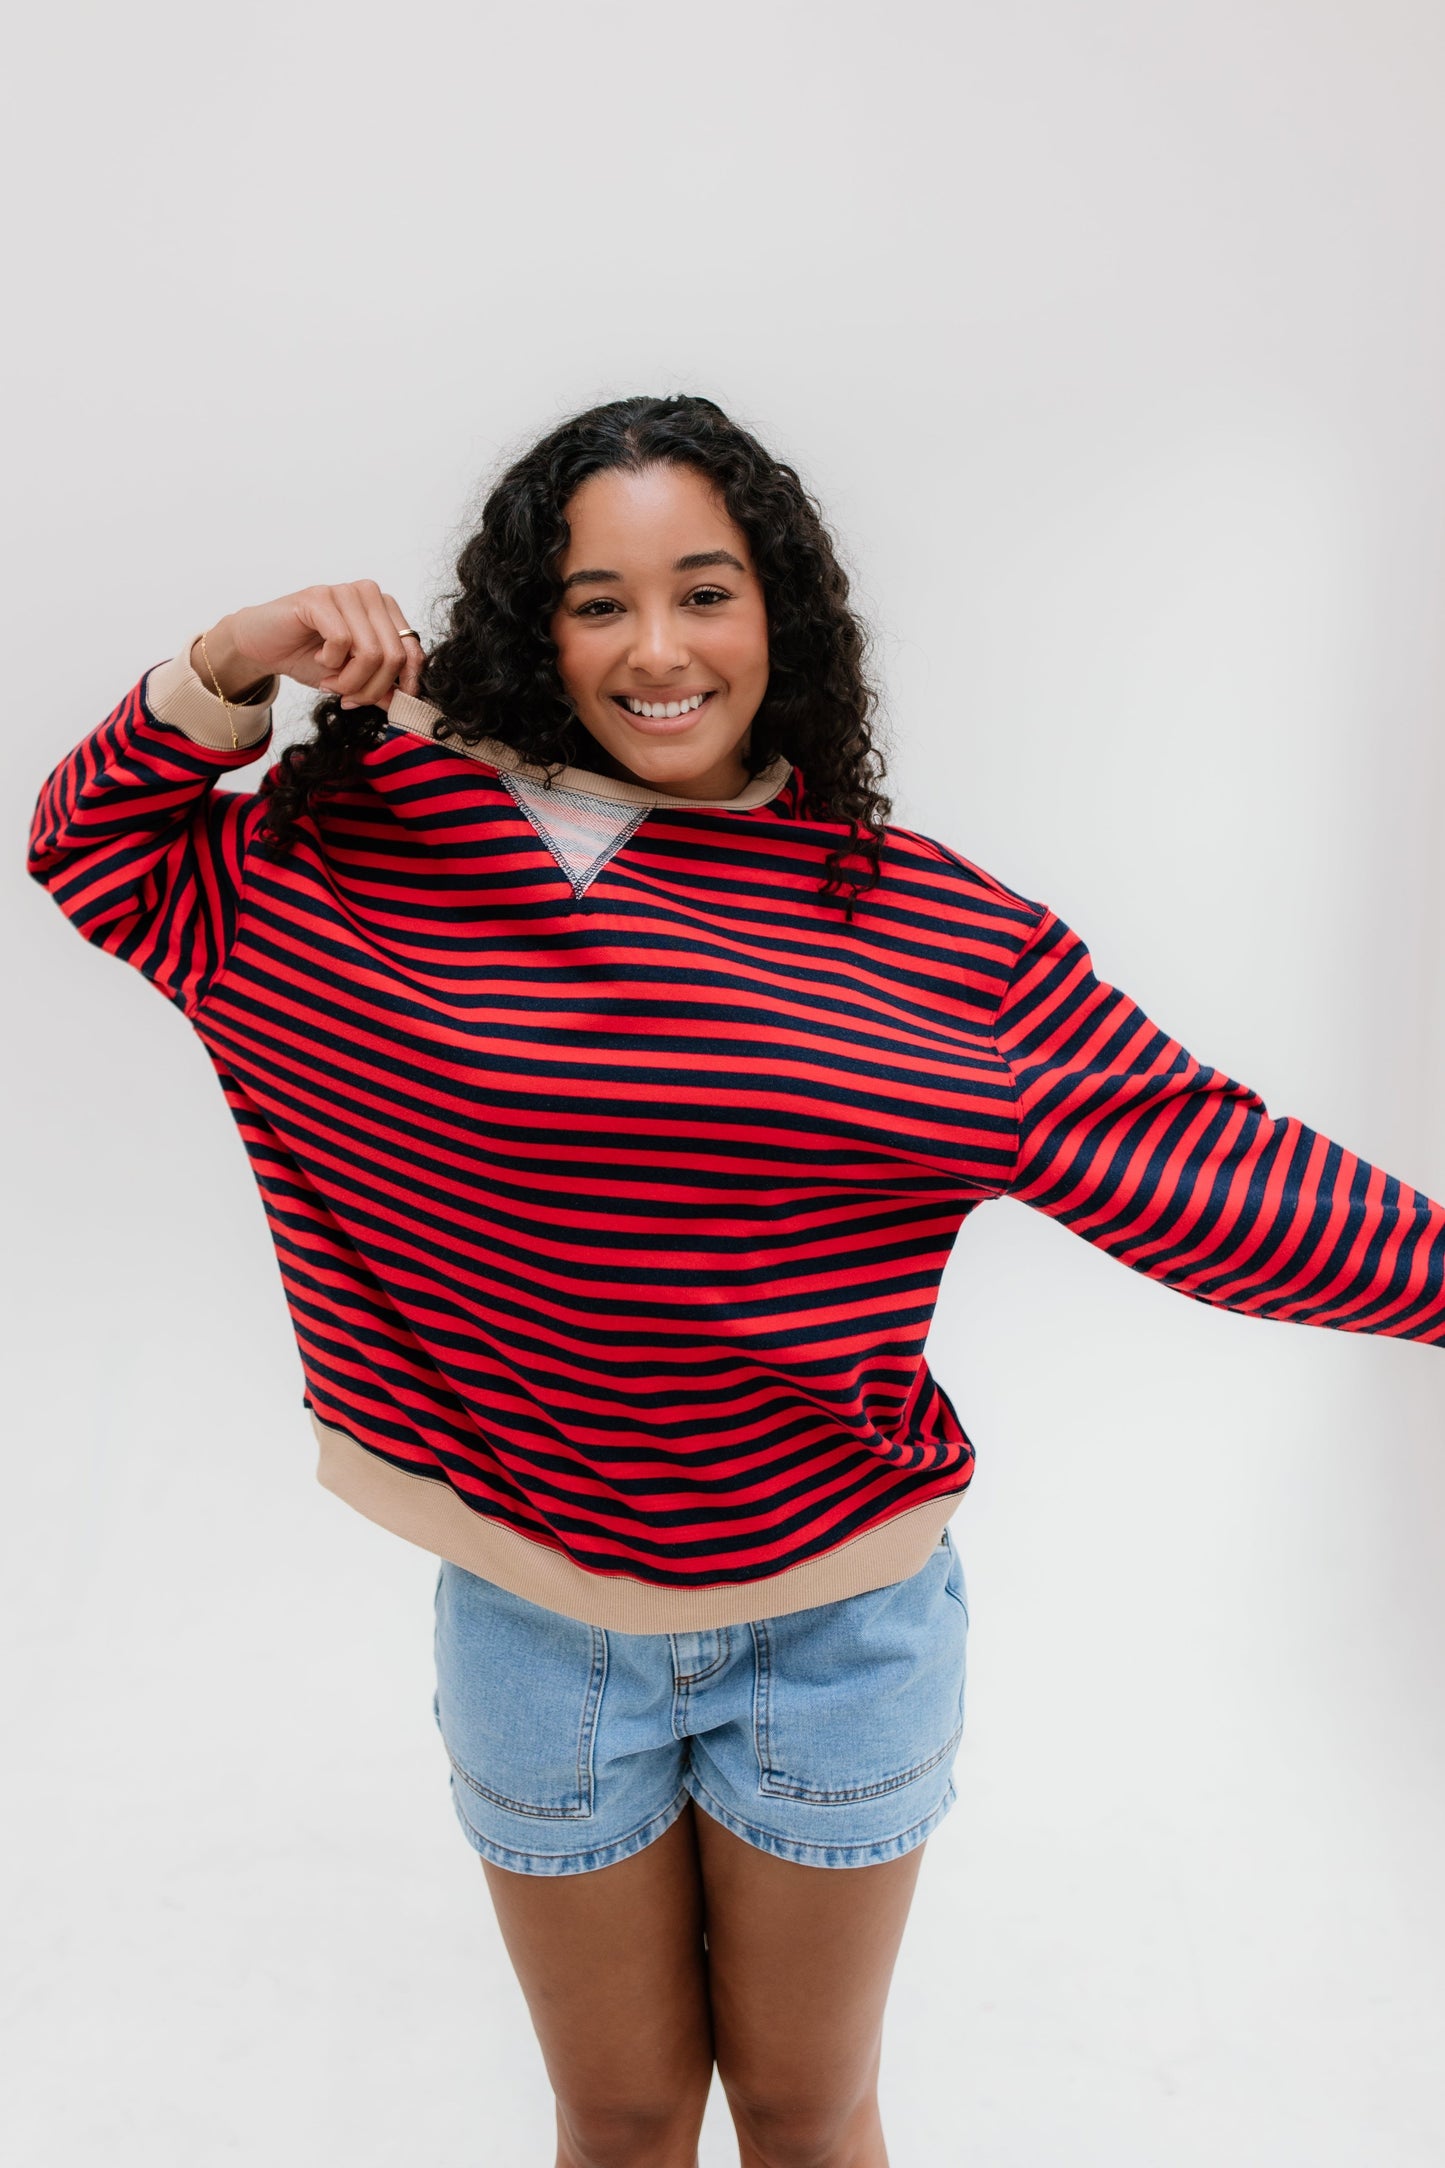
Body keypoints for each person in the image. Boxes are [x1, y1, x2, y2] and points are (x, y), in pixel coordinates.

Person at [27, 393, 1445, 2168]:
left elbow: (1202, 1163)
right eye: (596, 600)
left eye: (704, 588)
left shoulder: (934, 934)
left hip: (835, 1631)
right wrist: (228, 662)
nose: (658, 648)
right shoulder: (368, 855)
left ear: (779, 613)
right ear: (529, 632)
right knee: (616, 2120)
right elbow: (93, 846)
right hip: (533, 1622)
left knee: (804, 2108)